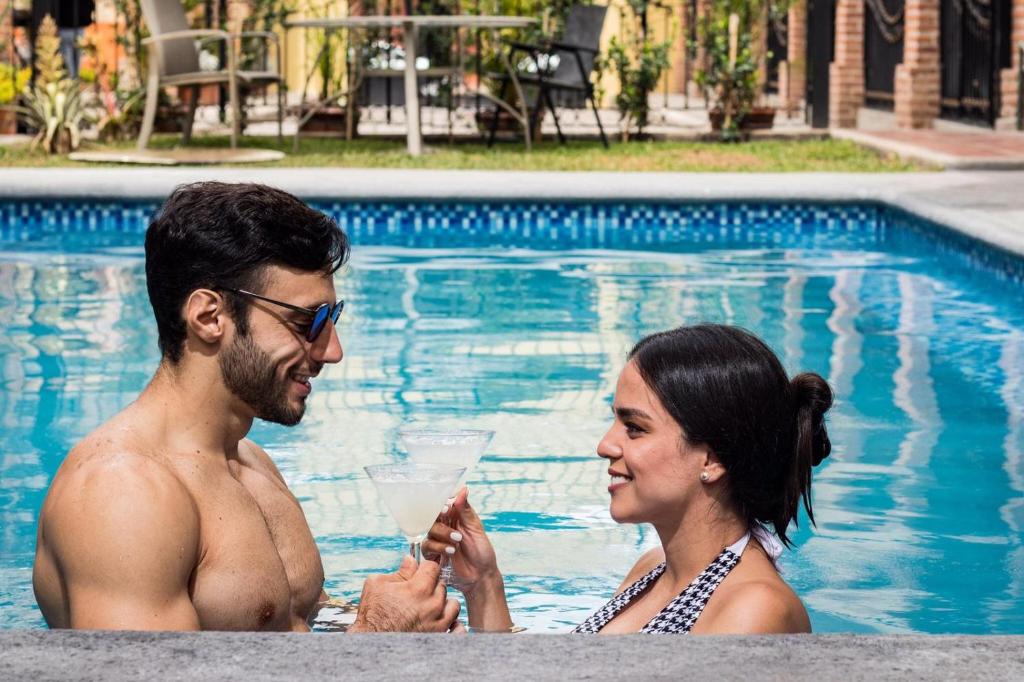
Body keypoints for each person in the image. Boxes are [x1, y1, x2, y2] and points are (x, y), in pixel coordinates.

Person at [33, 182, 461, 632]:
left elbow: (301, 624)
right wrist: (374, 638)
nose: (332, 351)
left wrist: (429, 595)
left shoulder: (253, 465)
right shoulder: (122, 494)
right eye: (307, 321)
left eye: (331, 319)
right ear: (209, 318)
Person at [424, 324, 833, 634]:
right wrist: (483, 584)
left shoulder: (754, 610)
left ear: (712, 458)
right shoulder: (653, 569)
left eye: (634, 428)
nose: (605, 445)